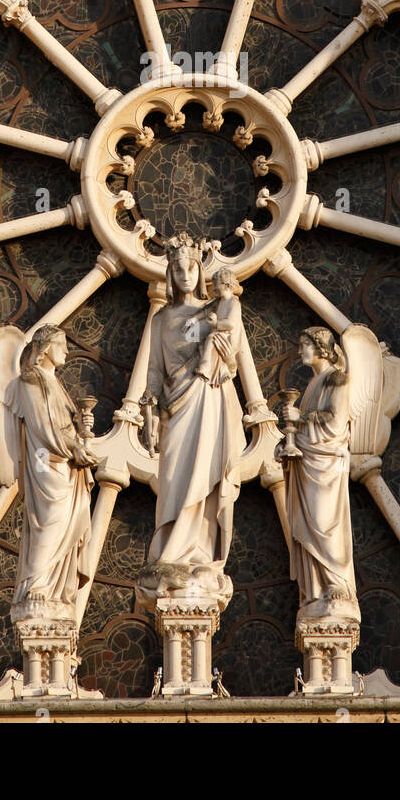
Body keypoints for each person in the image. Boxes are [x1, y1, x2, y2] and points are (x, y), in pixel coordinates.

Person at [143, 235, 246, 577]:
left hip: (205, 395)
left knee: (205, 471)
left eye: (191, 268)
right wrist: (150, 406)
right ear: (170, 275)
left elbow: (230, 355)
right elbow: (155, 369)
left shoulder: (214, 311)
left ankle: (199, 547)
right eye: (178, 269)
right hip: (174, 404)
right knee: (173, 476)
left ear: (201, 273)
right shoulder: (160, 320)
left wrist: (219, 350)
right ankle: (172, 546)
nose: (186, 275)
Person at [4, 323, 96, 606]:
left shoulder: (54, 383)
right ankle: (37, 583)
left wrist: (82, 429)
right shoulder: (32, 380)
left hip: (65, 466)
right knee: (49, 522)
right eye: (61, 344)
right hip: (48, 463)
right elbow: (42, 424)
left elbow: (62, 425)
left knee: (62, 522)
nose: (67, 350)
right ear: (44, 349)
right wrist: (73, 448)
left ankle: (51, 584)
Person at [284, 326, 359, 619]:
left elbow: (336, 423)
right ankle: (316, 589)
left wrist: (300, 418)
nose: (301, 351)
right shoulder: (313, 385)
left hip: (326, 467)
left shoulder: (336, 379)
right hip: (308, 466)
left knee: (326, 524)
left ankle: (336, 583)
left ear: (321, 348)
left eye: (305, 345)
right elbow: (305, 430)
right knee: (309, 527)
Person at [197, 267, 243, 387]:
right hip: (220, 335)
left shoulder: (234, 302)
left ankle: (206, 365)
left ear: (227, 285)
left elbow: (231, 323)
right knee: (203, 344)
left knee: (211, 337)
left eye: (216, 285)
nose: (214, 288)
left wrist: (216, 323)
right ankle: (221, 371)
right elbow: (206, 311)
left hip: (228, 338)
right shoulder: (219, 301)